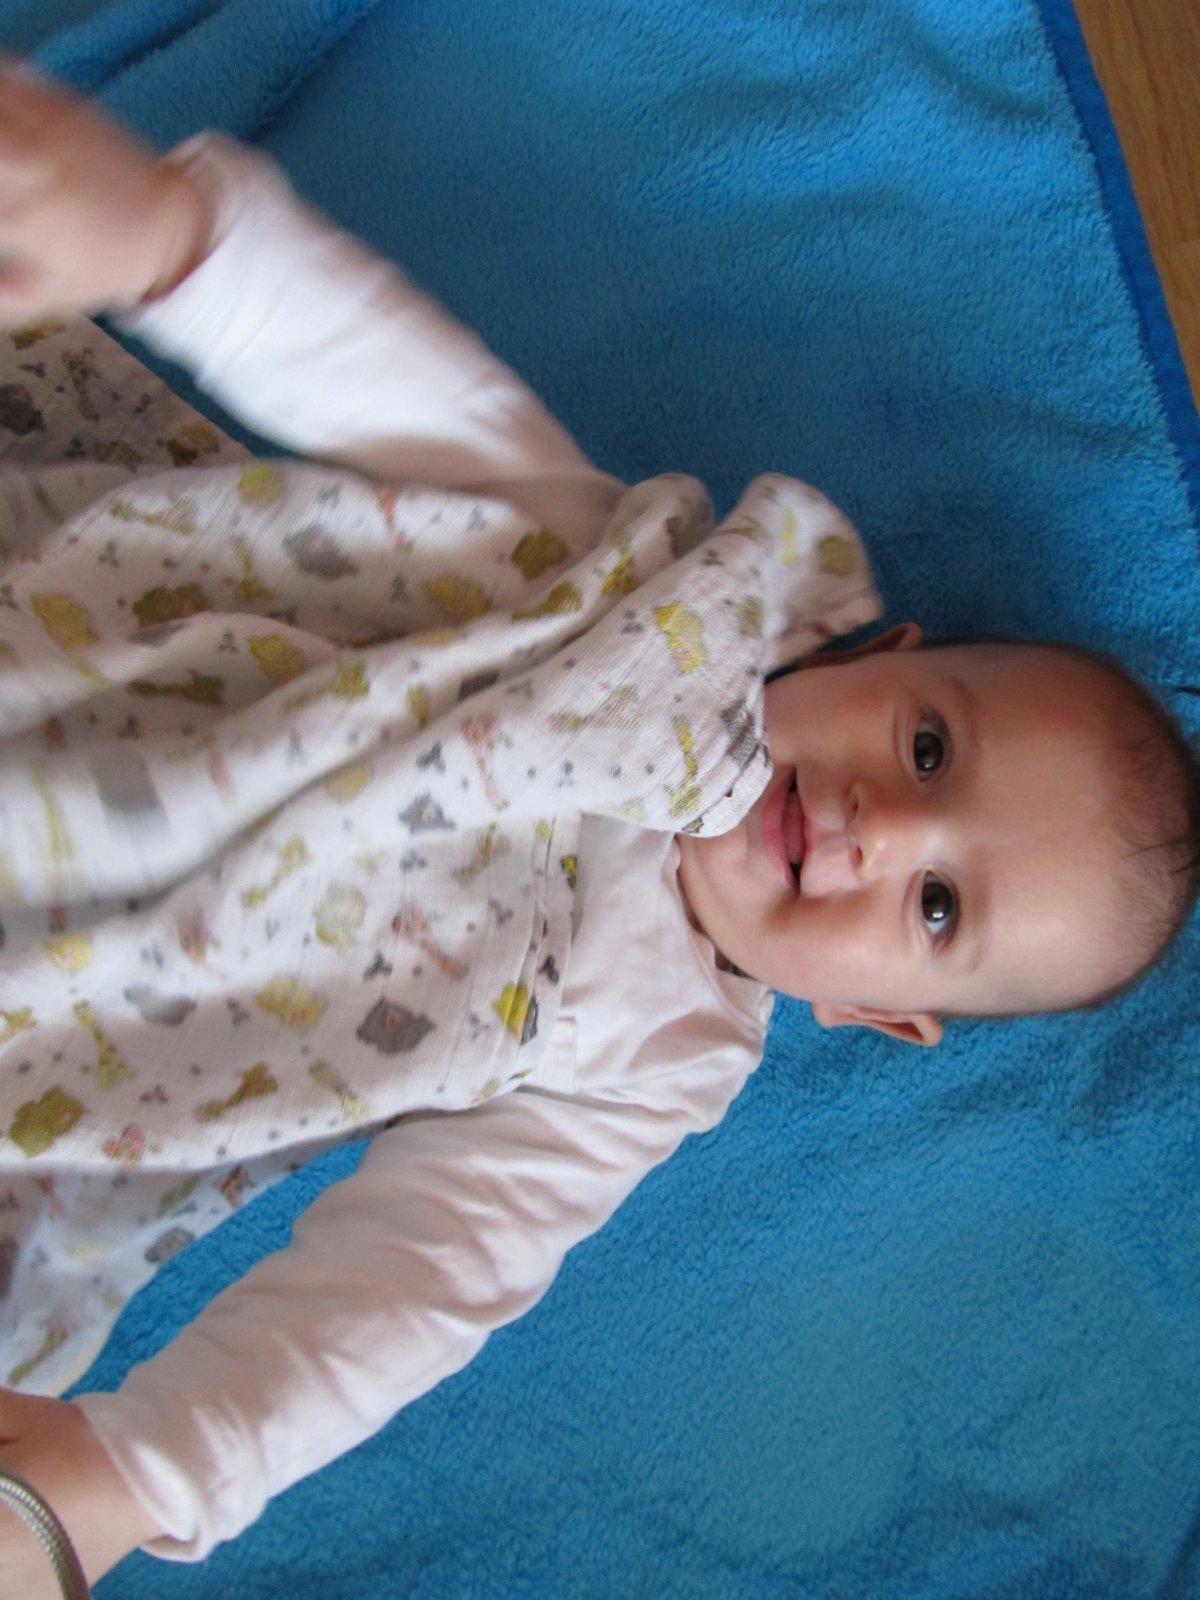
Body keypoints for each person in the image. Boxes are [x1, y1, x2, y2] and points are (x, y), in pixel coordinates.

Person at [0, 60, 1195, 1596]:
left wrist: (144, 1469)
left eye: (939, 907)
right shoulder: (644, 585)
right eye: (927, 747)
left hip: (88, 1032)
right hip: (84, 681)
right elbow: (382, 376)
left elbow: (423, 1278)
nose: (876, 829)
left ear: (874, 1015)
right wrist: (170, 236)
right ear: (884, 654)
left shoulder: (652, 1062)